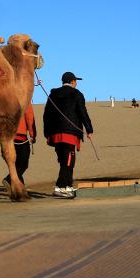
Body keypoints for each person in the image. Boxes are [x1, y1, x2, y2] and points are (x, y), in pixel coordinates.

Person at [43, 71, 94, 199]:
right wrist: (89, 129)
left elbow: (46, 115)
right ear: (72, 82)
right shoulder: (77, 94)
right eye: (75, 81)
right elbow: (83, 113)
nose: (76, 83)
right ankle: (61, 187)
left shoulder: (53, 95)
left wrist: (47, 134)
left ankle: (68, 186)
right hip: (69, 133)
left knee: (64, 160)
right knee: (68, 161)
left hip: (55, 134)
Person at [0, 103, 37, 187]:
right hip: (19, 137)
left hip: (5, 137)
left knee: (15, 165)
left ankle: (19, 186)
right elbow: (29, 117)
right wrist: (32, 134)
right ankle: (8, 179)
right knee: (23, 164)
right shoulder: (24, 99)